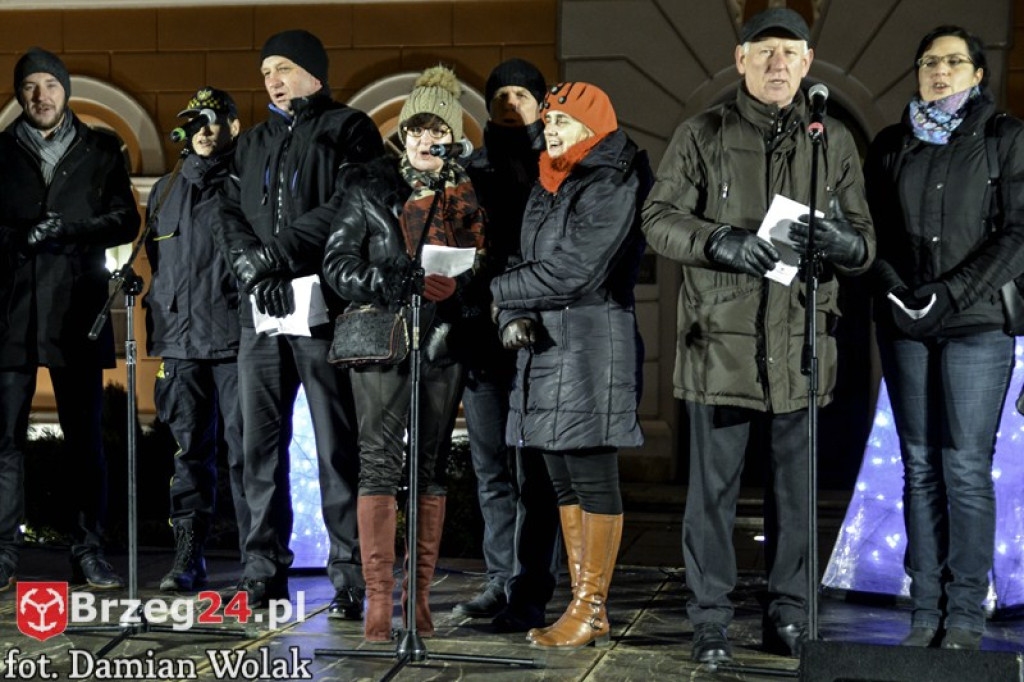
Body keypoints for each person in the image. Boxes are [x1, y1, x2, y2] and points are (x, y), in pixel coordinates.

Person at [641, 8, 874, 663]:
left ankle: (789, 618)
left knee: (796, 500)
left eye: (791, 53)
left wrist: (845, 242)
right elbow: (657, 219)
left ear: (808, 63)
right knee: (711, 498)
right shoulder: (702, 132)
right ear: (740, 60)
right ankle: (710, 621)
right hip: (720, 346)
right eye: (764, 51)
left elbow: (864, 242)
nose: (778, 64)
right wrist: (718, 240)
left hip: (800, 347)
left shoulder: (832, 141)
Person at [864, 25, 1024, 651]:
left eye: (954, 62)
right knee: (919, 469)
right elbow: (870, 230)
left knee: (964, 470)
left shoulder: (1005, 139)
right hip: (904, 320)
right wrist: (896, 287)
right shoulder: (891, 143)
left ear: (978, 74)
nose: (940, 72)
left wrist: (950, 292)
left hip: (976, 322)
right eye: (929, 61)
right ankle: (923, 605)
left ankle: (964, 612)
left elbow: (1017, 234)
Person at [214, 30, 384, 611]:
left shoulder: (349, 128)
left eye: (284, 67)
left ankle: (349, 574)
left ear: (315, 72)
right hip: (258, 313)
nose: (273, 80)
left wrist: (278, 253)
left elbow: (350, 204)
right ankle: (262, 567)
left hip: (324, 309)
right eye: (266, 72)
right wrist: (250, 267)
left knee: (337, 447)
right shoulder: (253, 140)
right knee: (257, 447)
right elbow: (228, 209)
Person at [321, 65, 486, 642]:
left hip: (442, 344)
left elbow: (484, 261)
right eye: (415, 127)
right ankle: (378, 601)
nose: (423, 139)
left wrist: (461, 282)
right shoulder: (369, 187)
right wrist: (392, 280)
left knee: (432, 468)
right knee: (380, 466)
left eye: (435, 128)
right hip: (382, 344)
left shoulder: (468, 193)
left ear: (453, 136)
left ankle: (417, 599)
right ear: (403, 133)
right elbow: (338, 265)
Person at [491, 81, 647, 650]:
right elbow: (524, 258)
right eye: (549, 120)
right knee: (559, 476)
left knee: (590, 474)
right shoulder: (548, 182)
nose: (549, 129)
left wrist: (496, 289)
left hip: (591, 345)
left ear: (591, 128)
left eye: (562, 121)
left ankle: (592, 606)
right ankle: (583, 604)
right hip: (546, 347)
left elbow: (575, 270)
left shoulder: (610, 181)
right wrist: (509, 308)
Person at [0, 47, 140, 590]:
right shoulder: (1, 151)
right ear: (19, 93)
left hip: (77, 310)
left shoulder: (101, 148)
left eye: (50, 85)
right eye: (31, 85)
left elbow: (125, 220)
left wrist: (69, 231)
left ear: (66, 90)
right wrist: (18, 238)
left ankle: (88, 550)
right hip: (9, 316)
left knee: (86, 439)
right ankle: (4, 553)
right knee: (3, 440)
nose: (41, 96)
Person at [455, 58, 562, 630]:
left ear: (541, 103)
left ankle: (536, 579)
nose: (510, 104)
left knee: (538, 469)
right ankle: (501, 578)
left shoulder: (559, 163)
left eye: (522, 94)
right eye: (501, 95)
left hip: (543, 335)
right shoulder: (470, 168)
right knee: (491, 463)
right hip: (484, 334)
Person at [144, 87, 248, 592]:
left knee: (250, 457)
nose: (204, 129)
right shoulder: (164, 190)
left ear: (233, 124)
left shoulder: (248, 183)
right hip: (181, 345)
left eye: (214, 119)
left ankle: (260, 561)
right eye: (195, 121)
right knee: (189, 456)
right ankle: (189, 557)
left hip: (236, 342)